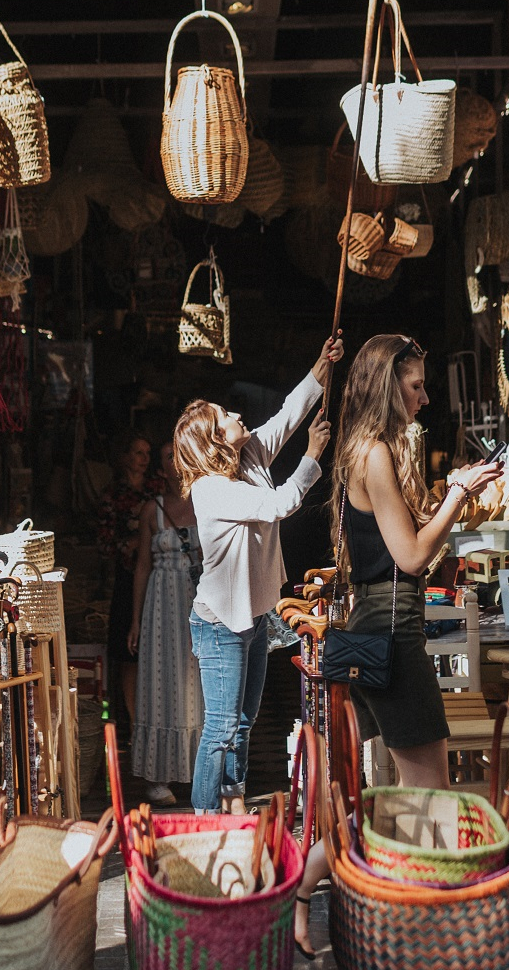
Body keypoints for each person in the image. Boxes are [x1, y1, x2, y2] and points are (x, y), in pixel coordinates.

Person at [291, 334, 501, 955]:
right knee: (427, 797)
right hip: (392, 634)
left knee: (420, 796)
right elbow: (410, 555)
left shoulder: (369, 451)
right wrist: (458, 497)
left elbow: (397, 551)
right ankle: (320, 890)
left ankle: (398, 913)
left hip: (388, 628)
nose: (424, 397)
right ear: (388, 386)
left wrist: (449, 498)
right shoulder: (375, 455)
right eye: (415, 385)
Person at [175, 333, 343, 814]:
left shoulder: (248, 457)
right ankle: (206, 822)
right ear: (212, 439)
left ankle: (233, 809)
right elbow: (281, 504)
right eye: (224, 417)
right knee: (222, 727)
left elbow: (290, 413)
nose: (236, 415)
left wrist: (321, 363)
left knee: (244, 722)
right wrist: (311, 456)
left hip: (250, 618)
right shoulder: (210, 489)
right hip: (220, 623)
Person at [127, 442, 205, 806]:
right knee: (161, 682)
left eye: (177, 455)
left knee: (199, 683)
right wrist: (136, 621)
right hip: (161, 604)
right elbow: (142, 565)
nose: (172, 464)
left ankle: (198, 770)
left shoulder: (208, 502)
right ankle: (158, 776)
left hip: (199, 600)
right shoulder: (152, 509)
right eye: (166, 457)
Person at [95, 433, 158, 727]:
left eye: (147, 452)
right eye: (137, 452)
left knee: (156, 649)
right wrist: (130, 545)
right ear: (125, 457)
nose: (143, 458)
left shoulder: (156, 491)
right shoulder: (113, 495)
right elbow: (105, 544)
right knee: (127, 651)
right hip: (126, 578)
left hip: (159, 578)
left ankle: (156, 718)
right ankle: (134, 721)